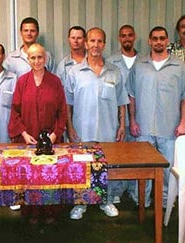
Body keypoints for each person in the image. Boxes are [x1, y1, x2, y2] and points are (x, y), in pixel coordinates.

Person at [127, 26, 185, 207]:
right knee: (143, 167)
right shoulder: (140, 65)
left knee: (167, 169)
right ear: (150, 41)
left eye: (162, 38)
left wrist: (183, 123)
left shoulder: (178, 66)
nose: (158, 42)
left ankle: (166, 201)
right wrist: (132, 121)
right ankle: (141, 200)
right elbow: (131, 96)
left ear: (167, 41)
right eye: (155, 39)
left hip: (169, 128)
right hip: (143, 128)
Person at [65, 27, 129, 220]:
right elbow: (67, 104)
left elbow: (122, 101)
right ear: (86, 43)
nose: (95, 45)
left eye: (99, 41)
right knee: (81, 167)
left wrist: (122, 125)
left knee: (105, 166)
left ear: (104, 44)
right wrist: (70, 126)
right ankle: (80, 204)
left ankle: (105, 201)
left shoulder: (114, 71)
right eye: (92, 41)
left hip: (108, 131)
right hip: (82, 131)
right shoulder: (75, 72)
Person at [8, 43, 67, 224]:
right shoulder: (22, 82)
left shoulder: (55, 81)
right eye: (32, 57)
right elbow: (15, 111)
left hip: (52, 139)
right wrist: (24, 134)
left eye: (40, 57)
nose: (36, 61)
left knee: (50, 175)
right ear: (28, 59)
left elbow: (62, 112)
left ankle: (51, 211)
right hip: (28, 138)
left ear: (46, 58)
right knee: (30, 176)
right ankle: (32, 212)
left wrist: (55, 135)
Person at [106, 24, 139, 204]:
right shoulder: (111, 62)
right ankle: (116, 191)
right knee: (117, 156)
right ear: (119, 38)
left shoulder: (144, 60)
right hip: (117, 118)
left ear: (134, 37)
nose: (127, 38)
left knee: (136, 157)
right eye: (123, 35)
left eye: (130, 35)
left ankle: (135, 191)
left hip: (139, 117)